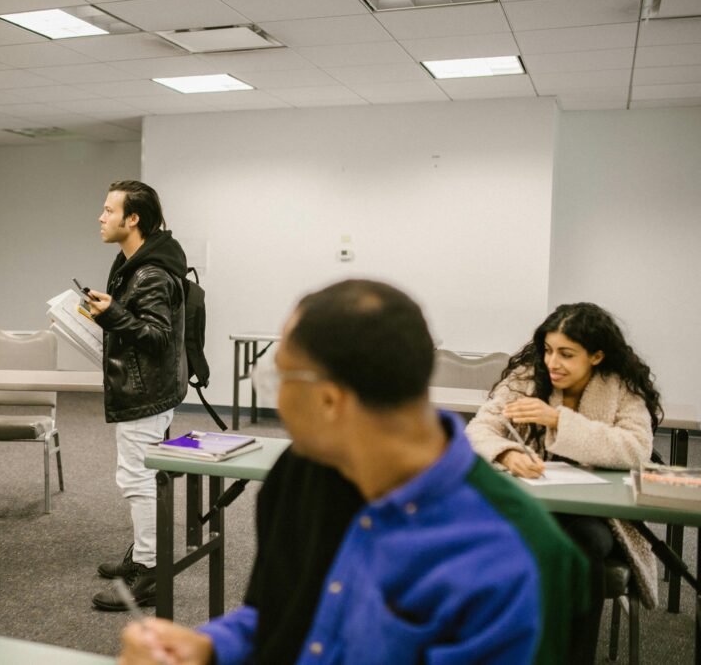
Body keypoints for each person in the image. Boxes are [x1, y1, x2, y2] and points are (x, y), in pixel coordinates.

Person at [119, 279, 590, 665]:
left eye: (279, 378)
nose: (273, 396)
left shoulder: (510, 557)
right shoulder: (300, 474)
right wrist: (211, 646)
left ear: (329, 401)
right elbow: (278, 618)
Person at [465, 302, 663, 651]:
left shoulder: (621, 388)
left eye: (567, 355)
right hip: (532, 504)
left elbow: (635, 449)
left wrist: (558, 420)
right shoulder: (527, 378)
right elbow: (478, 430)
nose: (552, 363)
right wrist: (507, 453)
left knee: (582, 548)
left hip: (598, 515)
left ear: (596, 356)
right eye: (548, 351)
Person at [85, 180, 188, 611]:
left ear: (133, 219)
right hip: (151, 388)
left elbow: (158, 336)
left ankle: (150, 574)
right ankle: (145, 555)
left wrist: (112, 315)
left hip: (144, 393)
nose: (101, 217)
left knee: (137, 479)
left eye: (109, 210)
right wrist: (112, 314)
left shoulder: (149, 273)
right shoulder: (137, 264)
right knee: (143, 478)